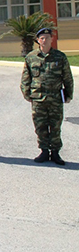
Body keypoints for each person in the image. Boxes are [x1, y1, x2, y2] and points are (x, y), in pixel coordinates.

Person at [21, 28, 74, 165]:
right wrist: (26, 93)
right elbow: (26, 78)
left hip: (55, 98)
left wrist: (68, 94)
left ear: (52, 39)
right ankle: (44, 151)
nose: (44, 40)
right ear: (38, 40)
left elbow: (67, 77)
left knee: (55, 126)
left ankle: (55, 153)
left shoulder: (60, 57)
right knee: (40, 126)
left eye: (47, 38)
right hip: (38, 99)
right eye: (42, 38)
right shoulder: (31, 57)